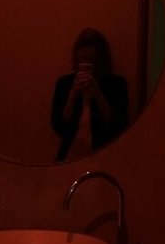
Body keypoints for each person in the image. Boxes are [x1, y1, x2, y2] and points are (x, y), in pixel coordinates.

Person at [51, 27, 129, 161]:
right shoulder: (64, 83)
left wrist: (98, 94)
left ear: (101, 59)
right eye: (83, 58)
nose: (87, 62)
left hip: (104, 157)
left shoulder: (116, 84)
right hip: (70, 158)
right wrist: (73, 94)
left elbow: (118, 126)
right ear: (77, 56)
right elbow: (58, 126)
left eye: (93, 59)